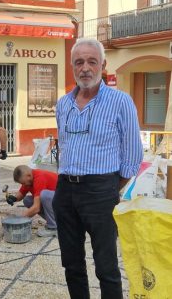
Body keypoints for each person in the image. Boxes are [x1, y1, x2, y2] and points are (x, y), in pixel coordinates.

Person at [52, 38, 143, 299]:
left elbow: (133, 154)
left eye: (92, 61)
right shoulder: (63, 104)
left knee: (106, 266)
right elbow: (65, 145)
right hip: (65, 190)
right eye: (79, 62)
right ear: (72, 67)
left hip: (101, 189)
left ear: (102, 65)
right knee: (71, 263)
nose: (85, 68)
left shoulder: (120, 101)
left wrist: (110, 187)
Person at [6, 165, 57, 237]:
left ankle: (54, 227)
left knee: (44, 195)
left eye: (24, 183)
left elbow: (36, 208)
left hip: (65, 203)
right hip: (55, 202)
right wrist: (14, 198)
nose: (24, 185)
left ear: (29, 175)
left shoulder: (39, 178)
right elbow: (21, 193)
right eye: (22, 183)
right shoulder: (28, 180)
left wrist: (19, 220)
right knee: (27, 200)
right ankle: (56, 222)